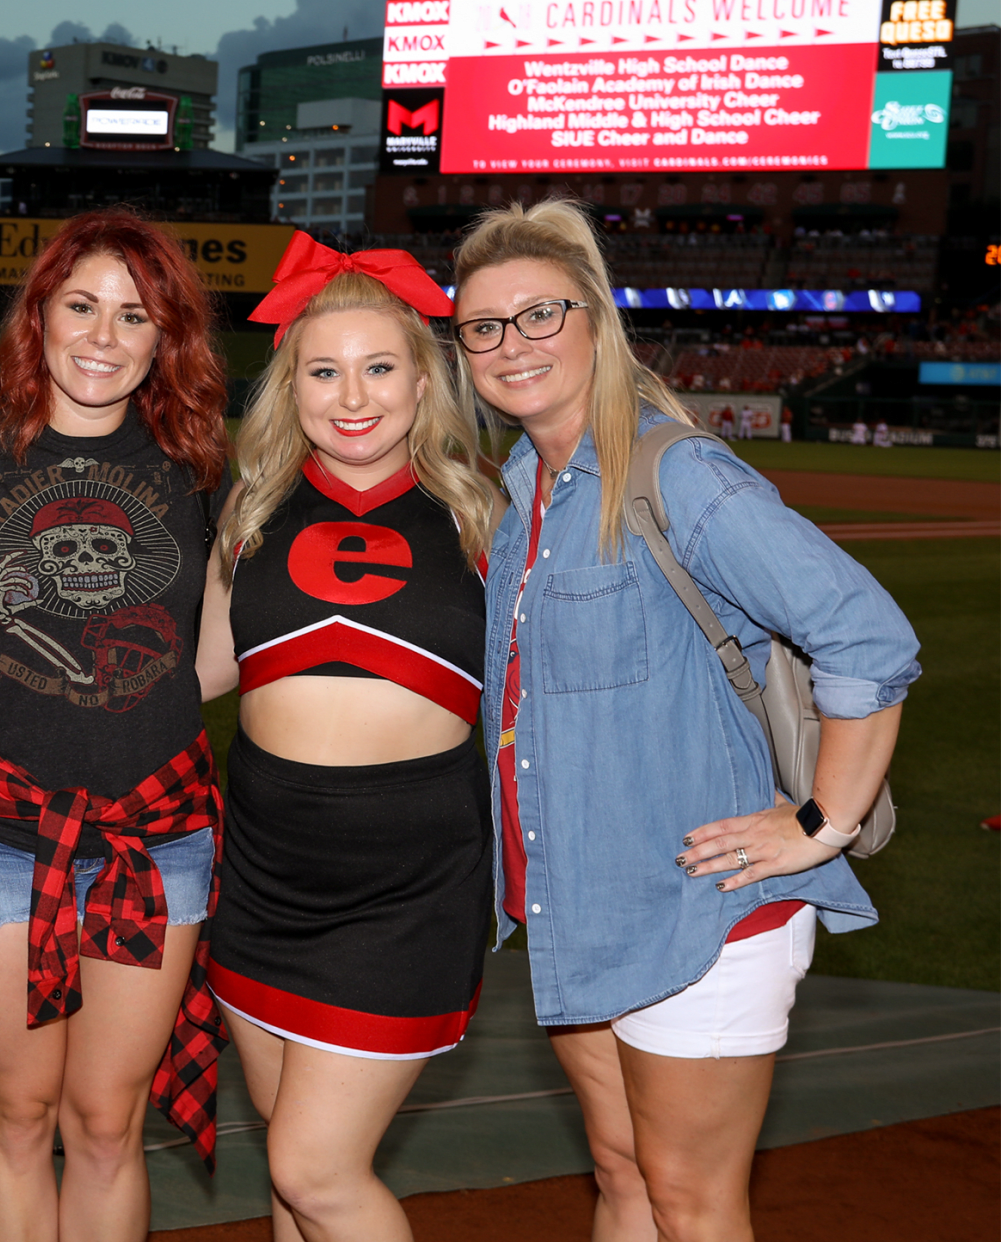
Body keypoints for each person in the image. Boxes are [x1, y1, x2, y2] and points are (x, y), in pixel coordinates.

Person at [455, 200, 918, 1242]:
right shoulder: (523, 484)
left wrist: (818, 823)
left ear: (596, 322)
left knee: (691, 1200)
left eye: (540, 314)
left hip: (701, 913)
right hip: (575, 908)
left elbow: (869, 638)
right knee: (622, 1176)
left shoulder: (677, 472)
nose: (511, 345)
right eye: (484, 326)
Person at [0, 207, 228, 1242]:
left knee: (104, 1120)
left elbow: (215, 655)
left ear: (164, 335)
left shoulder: (200, 464)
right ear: (38, 315)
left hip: (154, 831)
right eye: (80, 305)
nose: (102, 336)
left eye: (133, 315)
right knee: (19, 1111)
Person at [193, 235, 496, 1241]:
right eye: (324, 370)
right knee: (291, 1166)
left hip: (408, 892)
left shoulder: (486, 510)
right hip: (265, 877)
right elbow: (204, 673)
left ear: (424, 377)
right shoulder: (252, 506)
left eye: (378, 367)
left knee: (315, 1170)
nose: (351, 394)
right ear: (292, 383)